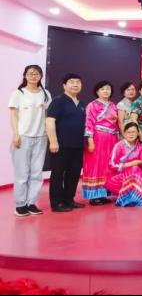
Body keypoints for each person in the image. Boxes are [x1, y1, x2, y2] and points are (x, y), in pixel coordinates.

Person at [8, 65, 52, 217]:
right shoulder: (18, 93)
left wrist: (49, 136)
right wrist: (16, 134)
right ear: (25, 75)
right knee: (22, 173)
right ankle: (20, 205)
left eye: (37, 74)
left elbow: (48, 115)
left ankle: (31, 203)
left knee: (37, 173)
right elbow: (13, 115)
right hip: (23, 137)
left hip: (41, 137)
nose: (33, 76)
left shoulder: (45, 93)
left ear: (41, 76)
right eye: (30, 74)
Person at [46, 74, 86, 213]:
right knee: (58, 174)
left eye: (78, 82)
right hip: (60, 145)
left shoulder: (81, 104)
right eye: (71, 82)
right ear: (64, 85)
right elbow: (50, 121)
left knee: (74, 174)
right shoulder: (58, 101)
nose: (75, 84)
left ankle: (69, 199)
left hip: (78, 145)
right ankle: (57, 203)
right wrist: (53, 141)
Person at [82, 81, 119, 206]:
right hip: (98, 137)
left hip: (112, 138)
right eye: (102, 89)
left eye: (108, 88)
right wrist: (90, 140)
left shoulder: (113, 105)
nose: (105, 91)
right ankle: (94, 196)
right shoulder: (92, 105)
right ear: (97, 91)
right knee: (96, 164)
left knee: (107, 165)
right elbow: (89, 123)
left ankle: (104, 193)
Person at [105, 122, 142, 207]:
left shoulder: (140, 146)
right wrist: (132, 164)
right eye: (129, 132)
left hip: (135, 178)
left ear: (137, 133)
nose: (131, 134)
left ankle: (134, 197)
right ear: (124, 133)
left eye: (133, 132)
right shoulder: (119, 146)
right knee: (134, 169)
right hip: (118, 178)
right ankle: (127, 199)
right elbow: (111, 165)